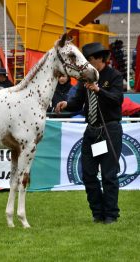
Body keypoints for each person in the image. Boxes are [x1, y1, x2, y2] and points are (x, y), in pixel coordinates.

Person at [55, 42, 124, 224]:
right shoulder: (85, 78)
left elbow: (117, 100)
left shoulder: (114, 76)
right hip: (92, 132)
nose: (86, 63)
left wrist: (99, 90)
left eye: (89, 59)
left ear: (100, 58)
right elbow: (78, 102)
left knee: (109, 175)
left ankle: (111, 214)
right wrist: (67, 104)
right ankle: (97, 212)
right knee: (88, 174)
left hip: (109, 130)